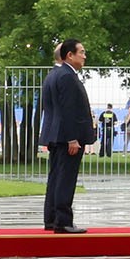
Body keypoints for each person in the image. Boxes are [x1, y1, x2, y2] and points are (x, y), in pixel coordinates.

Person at [37, 40, 95, 233]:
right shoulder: (67, 76)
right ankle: (63, 221)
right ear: (69, 55)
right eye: (82, 52)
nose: (84, 56)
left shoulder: (53, 75)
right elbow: (68, 109)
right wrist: (72, 138)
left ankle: (51, 218)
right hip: (66, 136)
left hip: (55, 134)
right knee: (65, 179)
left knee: (56, 177)